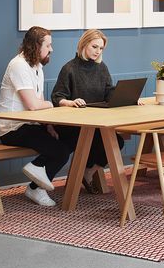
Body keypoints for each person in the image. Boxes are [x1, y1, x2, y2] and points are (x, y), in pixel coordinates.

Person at [0, 26, 70, 207]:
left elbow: (38, 105)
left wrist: (48, 126)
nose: (51, 49)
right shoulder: (18, 65)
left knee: (69, 138)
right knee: (59, 151)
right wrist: (51, 104)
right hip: (12, 128)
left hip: (29, 125)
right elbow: (33, 105)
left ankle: (36, 176)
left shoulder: (37, 66)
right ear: (35, 46)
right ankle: (36, 188)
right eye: (48, 45)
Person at [51, 28, 128, 194]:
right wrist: (71, 102)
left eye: (101, 48)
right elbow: (57, 97)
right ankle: (80, 178)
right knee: (99, 141)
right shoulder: (69, 69)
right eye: (94, 47)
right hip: (72, 125)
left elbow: (109, 92)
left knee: (117, 142)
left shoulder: (102, 68)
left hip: (96, 122)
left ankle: (87, 173)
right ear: (84, 44)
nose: (97, 51)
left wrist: (128, 98)